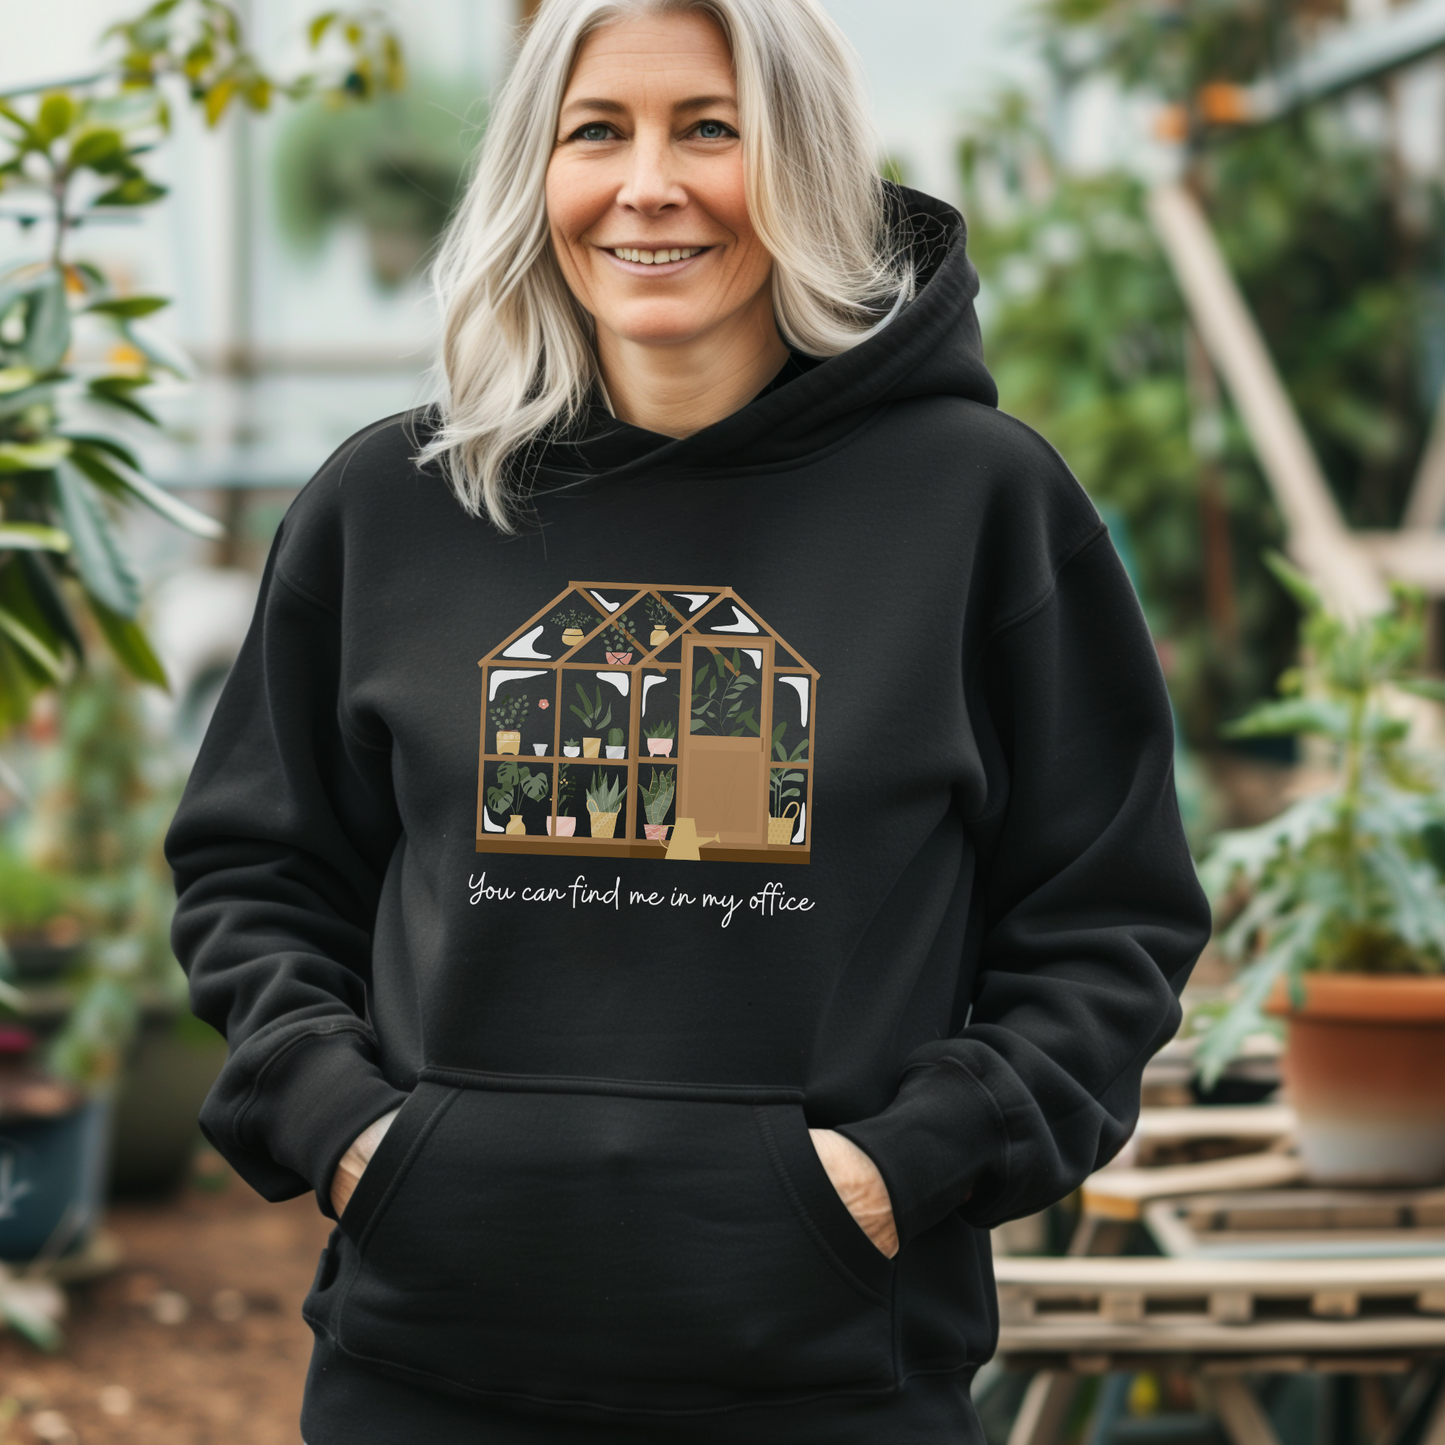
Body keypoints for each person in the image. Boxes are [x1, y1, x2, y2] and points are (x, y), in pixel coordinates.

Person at [165, 0, 1210, 1440]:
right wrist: (349, 1135)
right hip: (430, 1369)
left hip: (832, 1375)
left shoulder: (982, 509)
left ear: (807, 164)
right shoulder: (389, 509)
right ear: (539, 176)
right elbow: (255, 870)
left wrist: (901, 1170)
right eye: (598, 131)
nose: (647, 183)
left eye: (709, 128)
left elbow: (1111, 921)